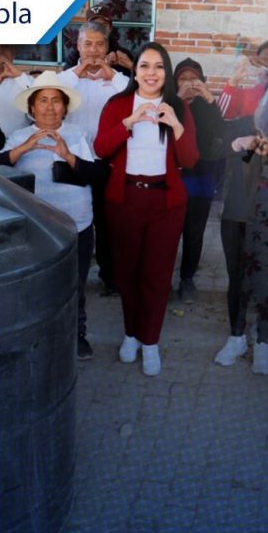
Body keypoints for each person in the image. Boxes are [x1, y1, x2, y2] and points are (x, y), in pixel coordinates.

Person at [94, 42, 198, 376]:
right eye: (144, 66)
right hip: (125, 200)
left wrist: (177, 127)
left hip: (165, 204)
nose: (151, 73)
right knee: (127, 274)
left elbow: (191, 160)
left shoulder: (179, 106)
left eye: (158, 67)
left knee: (156, 276)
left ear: (166, 73)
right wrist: (128, 122)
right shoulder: (118, 104)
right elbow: (100, 149)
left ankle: (150, 340)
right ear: (134, 71)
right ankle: (131, 334)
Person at [0, 71, 101, 361]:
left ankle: (77, 336)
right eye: (43, 101)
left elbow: (98, 174)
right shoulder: (19, 136)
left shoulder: (79, 135)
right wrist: (23, 148)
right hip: (36, 226)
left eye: (56, 101)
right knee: (36, 284)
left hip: (77, 223)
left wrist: (68, 155)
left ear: (65, 106)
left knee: (75, 284)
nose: (50, 107)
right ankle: (37, 336)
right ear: (32, 107)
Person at [212, 134, 268, 375]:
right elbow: (211, 148)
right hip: (239, 208)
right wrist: (239, 143)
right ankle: (237, 336)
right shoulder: (245, 119)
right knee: (237, 276)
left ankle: (263, 339)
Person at [58, 20, 132, 297]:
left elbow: (132, 94)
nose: (92, 50)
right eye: (87, 44)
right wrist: (78, 71)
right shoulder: (67, 79)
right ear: (77, 46)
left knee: (107, 221)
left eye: (99, 44)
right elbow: (53, 90)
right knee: (71, 219)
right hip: (72, 159)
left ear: (107, 47)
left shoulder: (118, 81)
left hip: (106, 162)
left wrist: (109, 74)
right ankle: (69, 274)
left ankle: (109, 276)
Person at [173, 58, 226, 304]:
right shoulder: (170, 105)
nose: (188, 84)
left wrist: (210, 99)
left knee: (194, 232)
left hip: (201, 178)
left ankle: (187, 278)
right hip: (174, 177)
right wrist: (179, 100)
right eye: (183, 79)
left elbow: (221, 137)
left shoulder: (208, 107)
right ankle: (162, 279)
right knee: (169, 231)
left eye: (193, 80)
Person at [217, 39, 268, 120]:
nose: (266, 65)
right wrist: (233, 82)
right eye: (261, 61)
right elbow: (221, 115)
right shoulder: (250, 93)